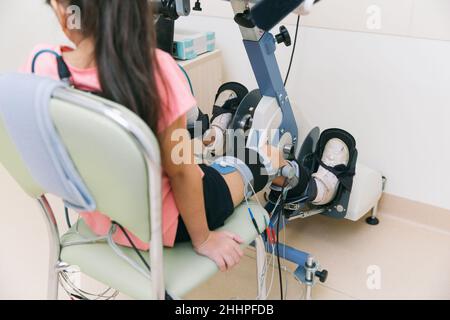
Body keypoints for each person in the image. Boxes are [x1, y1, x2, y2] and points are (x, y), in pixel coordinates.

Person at [22, 0, 350, 272]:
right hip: (172, 221)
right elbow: (182, 172)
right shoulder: (154, 71)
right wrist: (204, 239)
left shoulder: (42, 65)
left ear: (62, 12)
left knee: (195, 148)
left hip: (106, 214)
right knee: (266, 154)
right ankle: (312, 188)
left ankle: (217, 135)